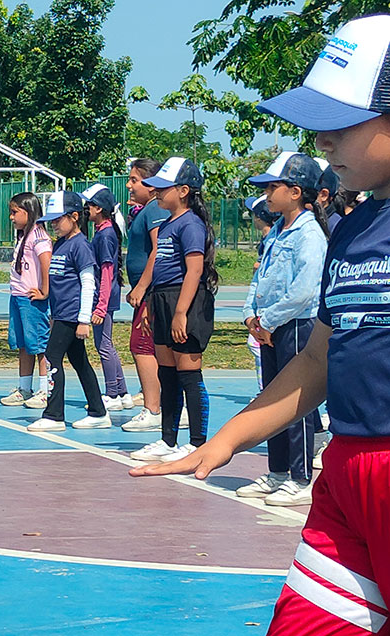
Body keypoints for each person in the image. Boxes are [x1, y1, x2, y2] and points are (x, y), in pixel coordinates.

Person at [131, 15, 390, 633]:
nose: (322, 140)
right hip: (347, 473)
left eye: (342, 121)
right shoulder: (353, 230)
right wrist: (225, 440)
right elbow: (319, 359)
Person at [237, 152, 328, 507]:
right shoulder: (277, 230)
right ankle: (276, 472)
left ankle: (299, 477)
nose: (267, 194)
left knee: (295, 403)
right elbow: (261, 277)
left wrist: (268, 320)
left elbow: (304, 289)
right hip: (270, 327)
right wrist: (251, 315)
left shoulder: (310, 234)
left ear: (295, 192)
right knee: (271, 398)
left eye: (272, 187)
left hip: (297, 326)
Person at [130, 158, 217, 463]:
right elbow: (159, 267)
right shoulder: (167, 223)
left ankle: (197, 443)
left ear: (183, 191)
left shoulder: (190, 223)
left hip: (185, 300)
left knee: (188, 375)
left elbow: (194, 270)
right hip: (162, 299)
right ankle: (168, 440)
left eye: (163, 188)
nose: (156, 192)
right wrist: (151, 303)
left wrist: (181, 313)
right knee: (167, 374)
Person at [27, 191, 111, 432]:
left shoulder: (81, 246)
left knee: (52, 357)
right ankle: (98, 412)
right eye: (51, 220)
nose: (54, 224)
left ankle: (54, 415)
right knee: (79, 361)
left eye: (58, 219)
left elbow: (88, 283)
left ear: (74, 217)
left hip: (72, 315)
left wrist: (84, 320)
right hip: (61, 314)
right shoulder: (61, 243)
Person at [121, 159, 171, 432]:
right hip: (149, 291)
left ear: (152, 185)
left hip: (151, 292)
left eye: (134, 180)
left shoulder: (154, 210)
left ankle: (153, 409)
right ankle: (163, 405)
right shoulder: (148, 210)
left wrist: (141, 286)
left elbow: (157, 249)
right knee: (149, 347)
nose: (129, 185)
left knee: (141, 346)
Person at [81, 183, 131, 410]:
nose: (86, 209)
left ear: (99, 208)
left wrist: (100, 306)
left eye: (89, 205)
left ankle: (112, 393)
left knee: (103, 346)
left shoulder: (105, 235)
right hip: (105, 296)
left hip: (104, 298)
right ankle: (122, 392)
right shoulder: (103, 232)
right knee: (106, 344)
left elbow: (107, 272)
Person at [0, 192, 51, 409]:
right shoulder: (24, 236)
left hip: (32, 301)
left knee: (39, 346)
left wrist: (45, 291)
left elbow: (46, 262)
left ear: (28, 212)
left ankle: (45, 390)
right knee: (23, 345)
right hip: (18, 297)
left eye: (15, 212)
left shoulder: (38, 236)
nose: (11, 217)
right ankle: (24, 388)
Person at [245, 194, 278, 394]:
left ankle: (265, 391)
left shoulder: (274, 238)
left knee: (257, 344)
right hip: (261, 306)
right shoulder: (268, 238)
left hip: (272, 310)